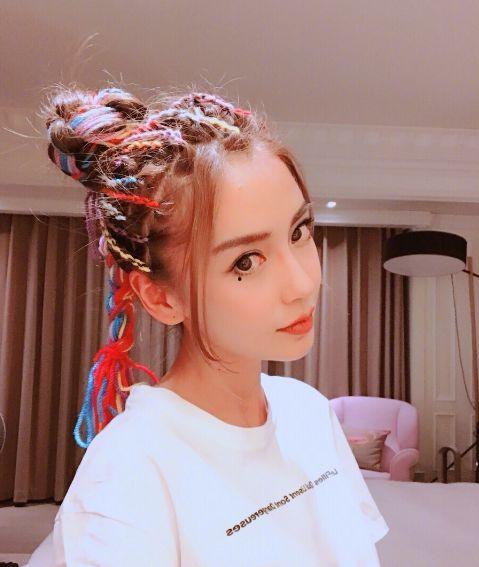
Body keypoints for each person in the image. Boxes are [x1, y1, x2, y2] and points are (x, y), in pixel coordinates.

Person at [26, 86, 389, 566]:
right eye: (246, 261)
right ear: (161, 297)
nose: (303, 284)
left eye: (299, 232)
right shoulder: (130, 474)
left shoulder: (308, 412)